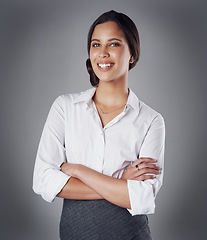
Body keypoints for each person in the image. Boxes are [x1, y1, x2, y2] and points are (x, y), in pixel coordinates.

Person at [33, 10, 165, 240]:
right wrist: (120, 184)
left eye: (113, 44)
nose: (102, 53)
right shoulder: (65, 107)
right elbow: (43, 181)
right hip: (75, 233)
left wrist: (77, 170)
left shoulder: (151, 120)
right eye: (96, 45)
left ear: (132, 54)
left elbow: (142, 198)